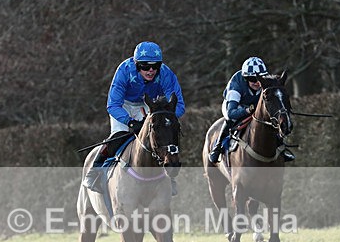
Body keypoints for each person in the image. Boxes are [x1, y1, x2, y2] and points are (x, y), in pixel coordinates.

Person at [83, 41, 186, 194]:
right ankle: (94, 171)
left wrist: (164, 120)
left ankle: (169, 177)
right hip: (123, 105)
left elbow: (178, 105)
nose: (150, 70)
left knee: (159, 137)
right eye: (145, 66)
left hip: (148, 105)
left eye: (155, 66)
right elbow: (113, 105)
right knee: (119, 135)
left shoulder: (166, 74)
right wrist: (130, 123)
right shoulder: (124, 70)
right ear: (137, 64)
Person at [207, 56, 295, 164]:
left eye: (260, 78)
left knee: (270, 120)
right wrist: (247, 110)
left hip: (254, 105)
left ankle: (281, 147)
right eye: (252, 79)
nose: (257, 82)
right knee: (231, 120)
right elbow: (231, 113)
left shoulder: (265, 82)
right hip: (236, 106)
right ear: (245, 78)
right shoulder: (235, 86)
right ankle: (217, 146)